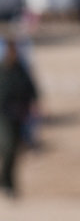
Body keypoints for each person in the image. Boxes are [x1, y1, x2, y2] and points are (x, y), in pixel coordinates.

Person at [0, 39, 38, 199]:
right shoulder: (2, 70)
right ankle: (6, 182)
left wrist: (34, 107)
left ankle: (9, 183)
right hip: (3, 116)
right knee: (8, 148)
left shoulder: (20, 70)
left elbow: (31, 90)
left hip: (19, 116)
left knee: (15, 151)